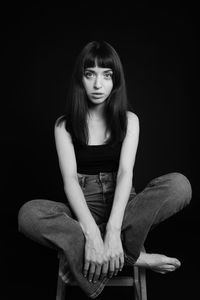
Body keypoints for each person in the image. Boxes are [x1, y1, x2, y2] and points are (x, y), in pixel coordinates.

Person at [18, 41, 192, 298]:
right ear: (81, 79)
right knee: (28, 214)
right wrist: (90, 231)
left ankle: (80, 257)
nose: (98, 85)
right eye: (90, 74)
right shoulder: (64, 125)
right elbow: (69, 181)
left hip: (122, 204)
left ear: (115, 81)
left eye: (106, 75)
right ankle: (134, 259)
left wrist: (111, 231)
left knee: (180, 185)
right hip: (82, 206)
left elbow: (125, 174)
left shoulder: (129, 120)